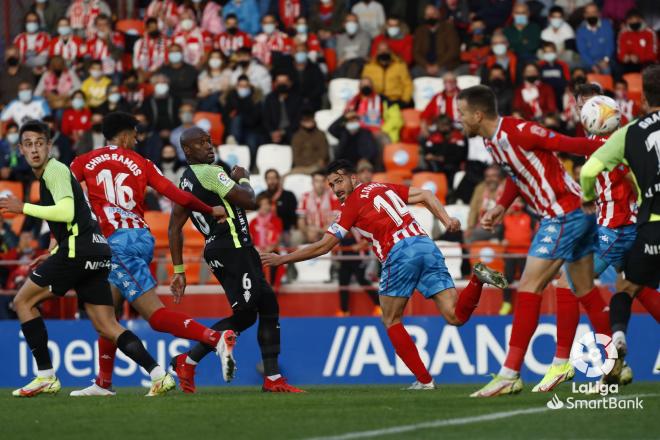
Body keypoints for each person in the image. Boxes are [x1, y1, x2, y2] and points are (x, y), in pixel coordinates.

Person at [262, 159, 508, 389]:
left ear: (353, 178)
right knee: (455, 317)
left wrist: (283, 258)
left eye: (339, 181)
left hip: (399, 252)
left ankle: (424, 381)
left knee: (391, 320)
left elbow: (324, 246)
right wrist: (446, 220)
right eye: (331, 184)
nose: (335, 188)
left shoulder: (351, 205)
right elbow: (425, 194)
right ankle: (476, 280)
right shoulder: (380, 186)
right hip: (425, 245)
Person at [0, 119, 175, 397]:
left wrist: (23, 207)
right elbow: (78, 219)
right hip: (97, 251)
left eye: (39, 143)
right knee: (107, 325)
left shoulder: (54, 171)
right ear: (21, 149)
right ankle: (158, 374)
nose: (34, 149)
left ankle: (45, 375)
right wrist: (53, 251)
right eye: (29, 144)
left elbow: (68, 212)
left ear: (49, 146)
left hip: (78, 252)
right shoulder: (53, 173)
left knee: (22, 301)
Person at [65, 112, 231, 396]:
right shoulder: (143, 163)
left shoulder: (82, 162)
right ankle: (103, 383)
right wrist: (208, 208)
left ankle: (215, 338)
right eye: (135, 133)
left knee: (153, 315)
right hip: (140, 238)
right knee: (108, 313)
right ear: (125, 134)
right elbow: (175, 194)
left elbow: (63, 192)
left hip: (118, 243)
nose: (138, 139)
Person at [456, 85, 607, 397]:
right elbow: (517, 173)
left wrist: (615, 144)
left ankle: (509, 373)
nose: (459, 120)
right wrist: (500, 205)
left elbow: (569, 144)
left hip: (565, 214)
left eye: (461, 114)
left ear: (478, 114)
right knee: (581, 289)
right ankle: (614, 366)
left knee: (528, 286)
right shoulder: (491, 140)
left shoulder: (519, 131)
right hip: (567, 214)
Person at [169, 126, 304, 393]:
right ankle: (191, 358)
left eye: (209, 141)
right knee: (245, 315)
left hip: (225, 248)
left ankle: (272, 378)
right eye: (201, 143)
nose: (209, 146)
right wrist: (243, 179)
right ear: (187, 150)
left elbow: (174, 228)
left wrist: (179, 270)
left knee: (266, 306)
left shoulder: (185, 179)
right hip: (232, 247)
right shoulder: (211, 172)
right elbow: (250, 201)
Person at [580, 65, 660, 381]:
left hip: (646, 225)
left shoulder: (629, 134)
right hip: (627, 225)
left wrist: (587, 198)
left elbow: (588, 173)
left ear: (641, 100)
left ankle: (615, 341)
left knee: (624, 288)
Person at [412, 4, 460, 77]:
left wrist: (437, 65)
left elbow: (453, 50)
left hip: (444, 65)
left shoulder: (448, 28)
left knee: (447, 76)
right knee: (414, 72)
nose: (431, 17)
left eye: (433, 14)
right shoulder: (420, 31)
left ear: (438, 14)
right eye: (428, 15)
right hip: (425, 66)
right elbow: (416, 52)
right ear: (425, 17)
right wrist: (426, 65)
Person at [362, 42, 412, 108]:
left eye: (386, 49)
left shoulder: (400, 65)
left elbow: (408, 85)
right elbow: (363, 85)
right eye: (381, 50)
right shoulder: (369, 67)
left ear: (390, 51)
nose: (383, 52)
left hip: (395, 101)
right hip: (375, 101)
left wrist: (404, 101)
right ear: (377, 52)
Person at [421, 113, 467, 182]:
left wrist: (438, 158)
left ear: (449, 125)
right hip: (435, 168)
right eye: (440, 125)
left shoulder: (458, 138)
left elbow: (459, 156)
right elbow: (427, 154)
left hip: (453, 169)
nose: (442, 127)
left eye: (445, 125)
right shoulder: (433, 138)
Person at [465, 164, 504, 243]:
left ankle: (471, 255)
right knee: (467, 234)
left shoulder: (505, 187)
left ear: (499, 177)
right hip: (482, 224)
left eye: (493, 176)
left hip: (500, 225)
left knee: (472, 236)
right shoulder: (480, 188)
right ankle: (473, 254)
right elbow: (473, 210)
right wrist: (470, 227)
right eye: (488, 176)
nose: (490, 179)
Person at [262, 73, 302, 144]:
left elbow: (297, 120)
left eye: (284, 82)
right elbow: (266, 119)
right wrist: (273, 132)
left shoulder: (296, 99)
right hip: (273, 132)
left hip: (291, 132)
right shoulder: (269, 98)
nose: (281, 84)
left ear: (290, 83)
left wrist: (283, 132)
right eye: (279, 82)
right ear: (275, 83)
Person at [576, 3, 615, 74]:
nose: (591, 15)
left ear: (598, 13)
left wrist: (606, 60)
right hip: (588, 61)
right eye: (588, 13)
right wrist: (592, 65)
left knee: (606, 70)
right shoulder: (581, 31)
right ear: (585, 15)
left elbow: (610, 45)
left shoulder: (607, 25)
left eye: (593, 12)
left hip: (605, 59)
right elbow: (583, 51)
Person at [616, 9, 658, 74]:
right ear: (627, 21)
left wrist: (639, 58)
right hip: (629, 64)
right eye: (631, 19)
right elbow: (620, 54)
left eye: (636, 19)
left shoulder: (650, 33)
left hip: (647, 64)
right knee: (618, 69)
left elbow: (653, 54)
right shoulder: (623, 33)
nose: (633, 21)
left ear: (641, 19)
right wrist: (626, 57)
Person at [262, 169, 298, 240]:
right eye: (269, 178)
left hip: (286, 231)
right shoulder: (261, 196)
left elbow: (294, 215)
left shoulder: (289, 195)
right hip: (266, 231)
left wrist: (291, 229)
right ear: (266, 180)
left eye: (274, 178)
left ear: (278, 179)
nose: (272, 181)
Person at [335, 13, 370, 79]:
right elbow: (340, 55)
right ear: (344, 24)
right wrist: (355, 53)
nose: (351, 24)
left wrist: (346, 56)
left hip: (359, 63)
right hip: (345, 64)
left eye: (354, 22)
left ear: (358, 24)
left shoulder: (365, 36)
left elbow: (363, 54)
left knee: (354, 65)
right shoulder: (340, 38)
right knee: (341, 68)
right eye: (349, 22)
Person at [538, 42, 570, 111]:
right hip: (545, 95)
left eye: (551, 51)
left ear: (555, 52)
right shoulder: (540, 65)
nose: (549, 54)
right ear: (543, 53)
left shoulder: (563, 65)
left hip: (560, 93)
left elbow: (567, 79)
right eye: (546, 52)